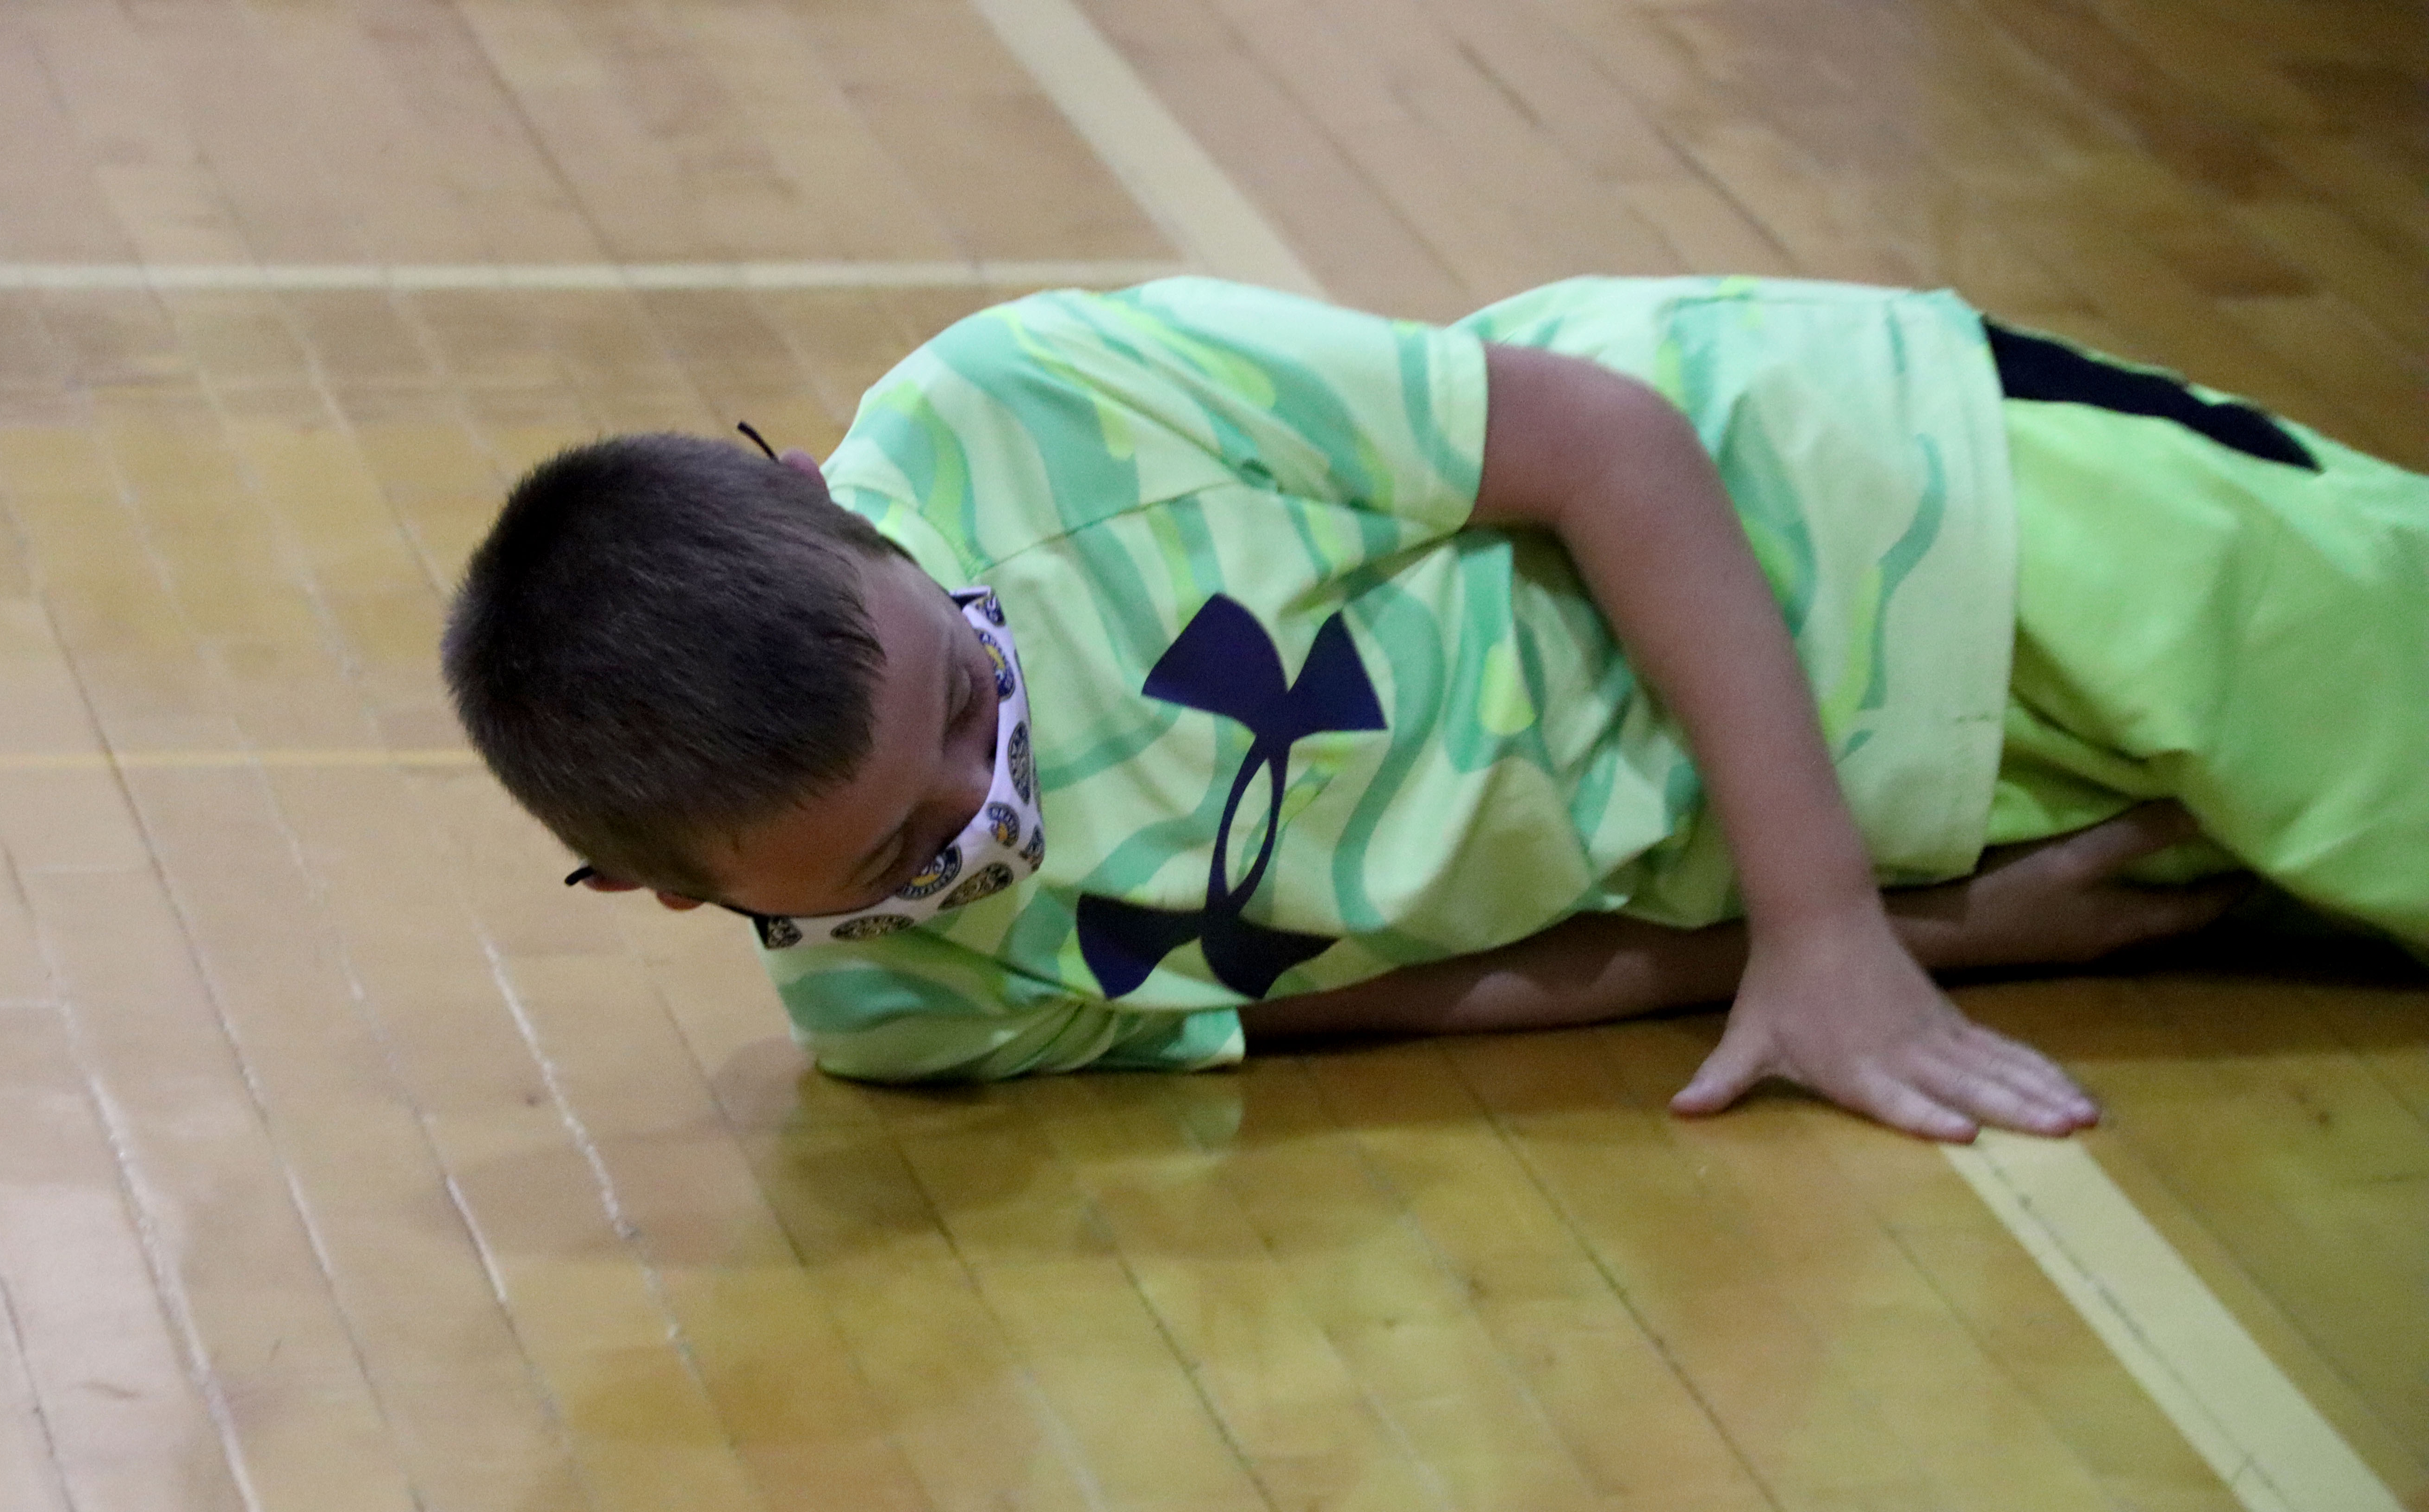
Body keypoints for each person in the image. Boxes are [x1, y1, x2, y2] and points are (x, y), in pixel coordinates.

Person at [443, 276, 2427, 1142]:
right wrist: (1917, 934)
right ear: (675, 898)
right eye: (915, 859)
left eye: (978, 694)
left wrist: (1832, 935)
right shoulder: (905, 1020)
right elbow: (1332, 1000)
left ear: (821, 495)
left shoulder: (1036, 396)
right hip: (1855, 818)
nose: (1001, 803)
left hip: (1887, 506)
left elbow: (1606, 441)